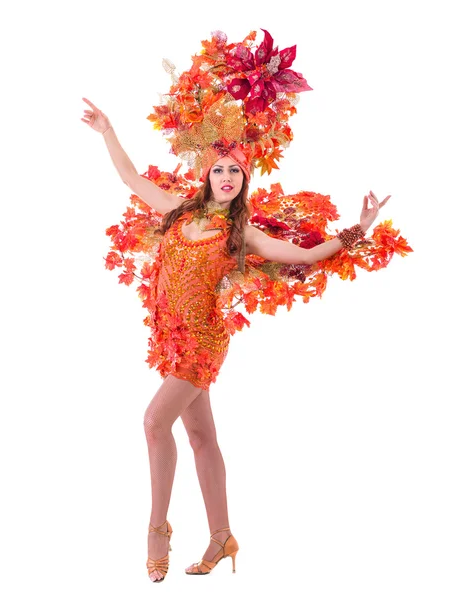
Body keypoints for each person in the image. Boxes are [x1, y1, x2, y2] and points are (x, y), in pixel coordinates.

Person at [81, 29, 407, 583]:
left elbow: (307, 251)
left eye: (236, 172)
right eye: (220, 169)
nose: (227, 177)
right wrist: (109, 132)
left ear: (244, 181)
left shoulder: (244, 233)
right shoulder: (181, 211)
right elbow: (132, 178)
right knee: (202, 437)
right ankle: (221, 538)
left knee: (154, 421)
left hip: (203, 340)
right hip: (168, 334)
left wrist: (358, 229)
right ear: (207, 173)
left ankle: (156, 529)